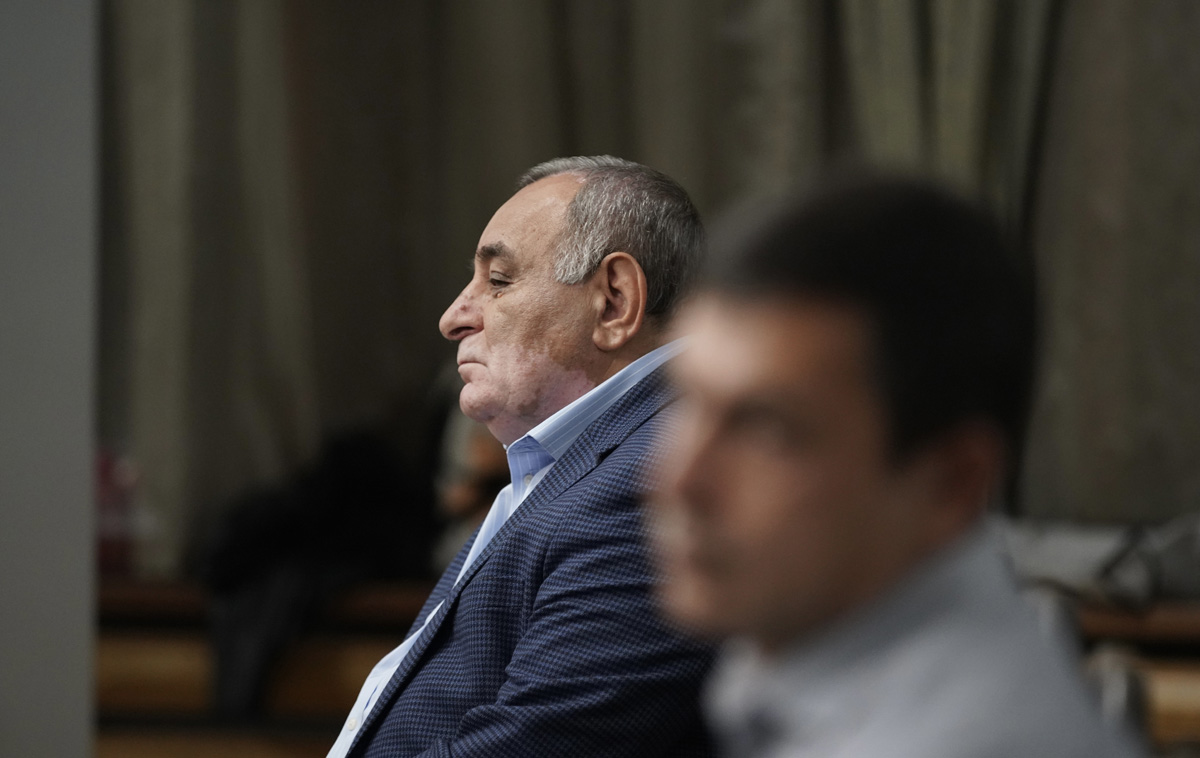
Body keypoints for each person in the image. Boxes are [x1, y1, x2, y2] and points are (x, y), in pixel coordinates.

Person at [649, 173, 1146, 758]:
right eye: (684, 401)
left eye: (767, 430)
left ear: (952, 483)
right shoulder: (809, 634)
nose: (676, 480)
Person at [328, 156, 715, 757]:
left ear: (613, 301)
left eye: (499, 281)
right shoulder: (579, 465)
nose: (453, 318)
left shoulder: (654, 479)